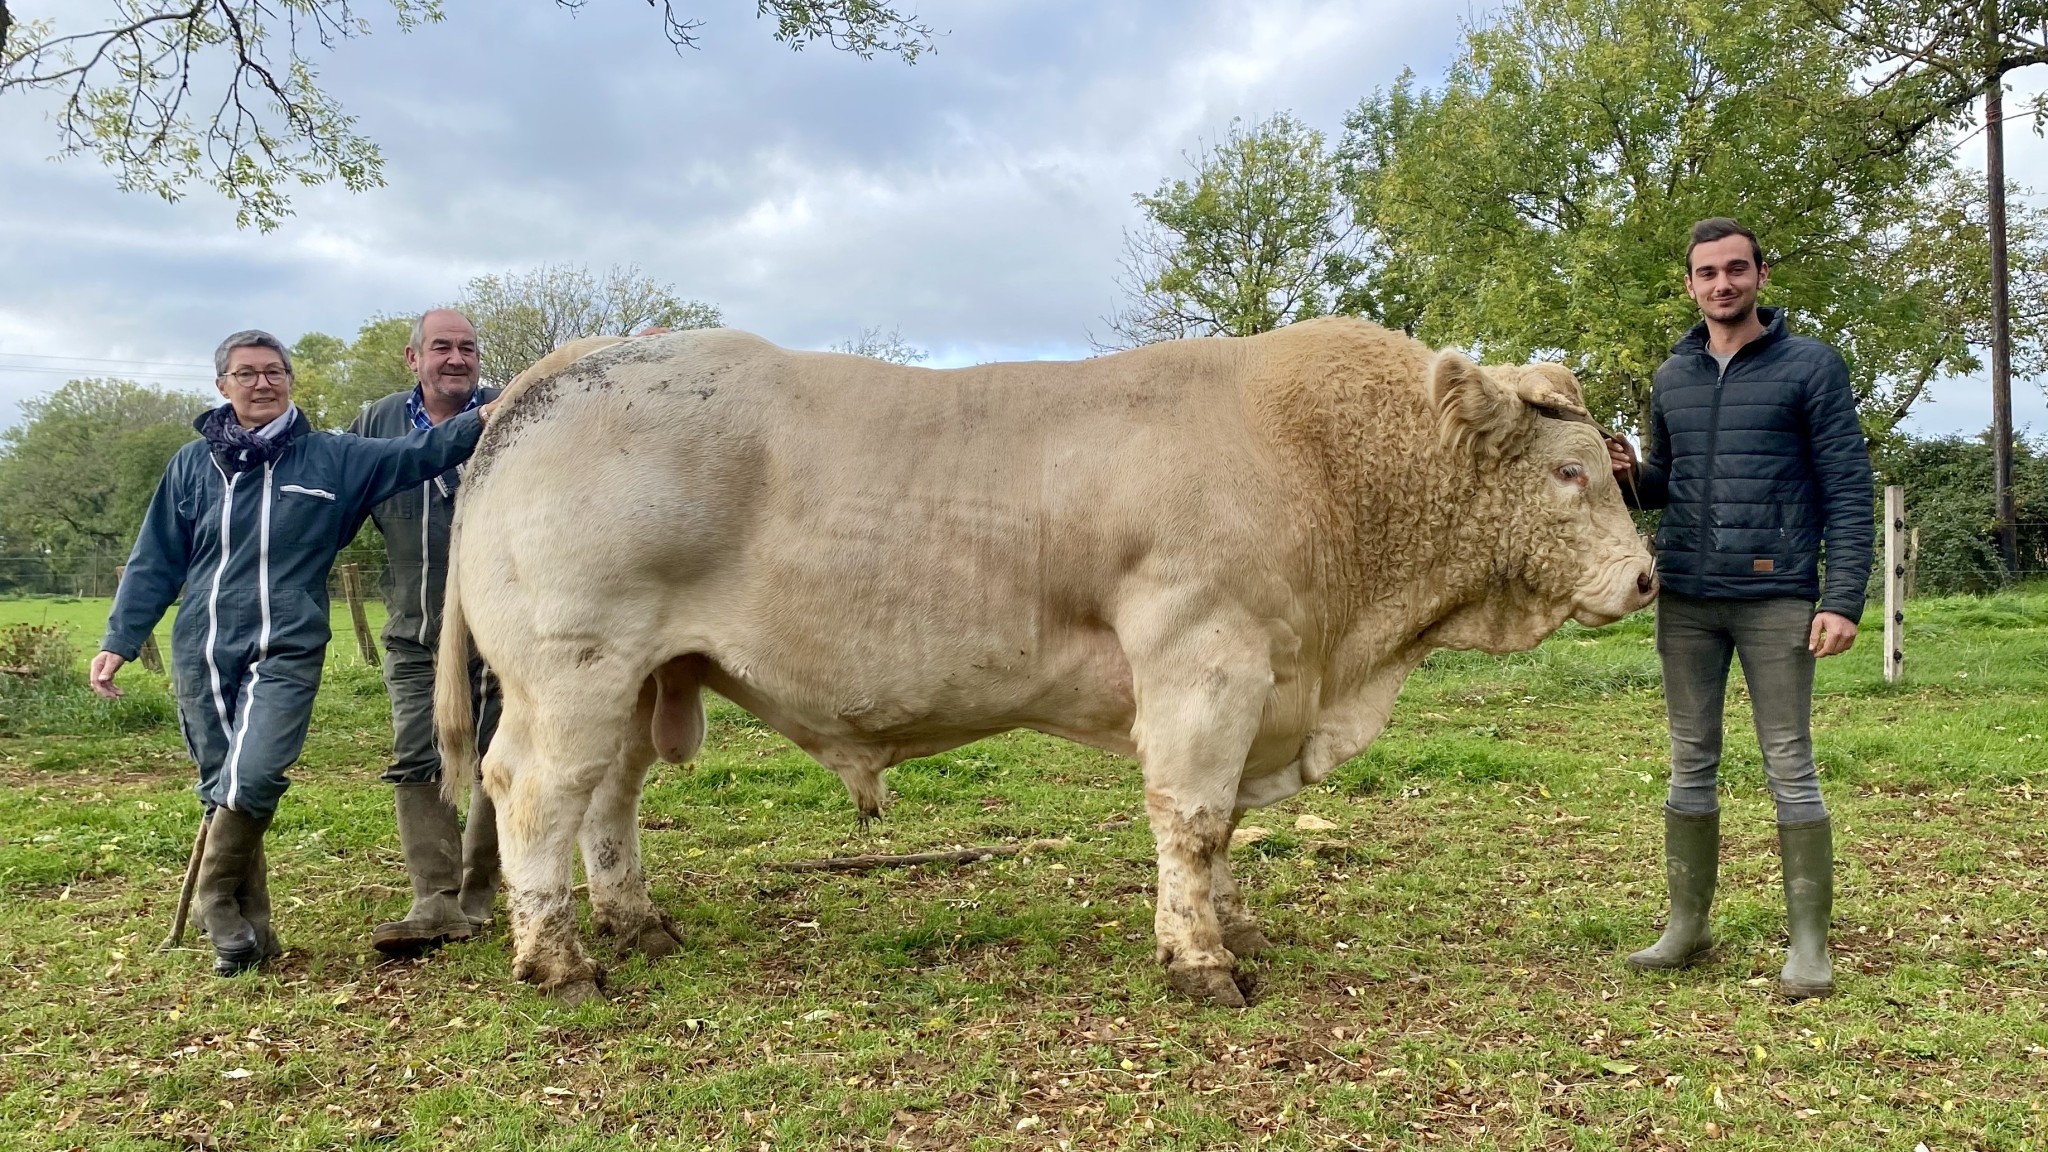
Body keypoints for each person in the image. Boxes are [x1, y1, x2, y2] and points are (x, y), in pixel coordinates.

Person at [92, 329, 496, 977]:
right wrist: (120, 639)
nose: (262, 383)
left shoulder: (333, 458)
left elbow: (426, 447)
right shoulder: (192, 466)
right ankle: (247, 936)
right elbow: (154, 561)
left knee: (255, 775)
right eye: (246, 373)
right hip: (202, 647)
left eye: (274, 371)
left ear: (290, 382)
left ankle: (213, 895)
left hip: (287, 643)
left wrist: (492, 411)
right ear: (222, 385)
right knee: (219, 784)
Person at [1609, 218, 1874, 999]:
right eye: (1706, 274)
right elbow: (1669, 485)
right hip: (1686, 598)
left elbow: (1848, 492)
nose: (1721, 284)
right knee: (1691, 761)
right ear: (1689, 285)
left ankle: (1809, 947)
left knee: (1789, 764)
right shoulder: (1672, 377)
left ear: (1760, 275)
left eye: (1735, 270)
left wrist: (1843, 598)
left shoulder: (1811, 368)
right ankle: (1688, 928)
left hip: (1777, 598)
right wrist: (1631, 474)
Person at [348, 309, 502, 955]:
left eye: (467, 348)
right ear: (413, 359)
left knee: (501, 758)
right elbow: (337, 495)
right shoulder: (373, 424)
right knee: (419, 752)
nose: (457, 359)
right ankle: (434, 899)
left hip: (504, 625)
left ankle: (481, 894)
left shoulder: (512, 409)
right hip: (416, 627)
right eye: (442, 348)